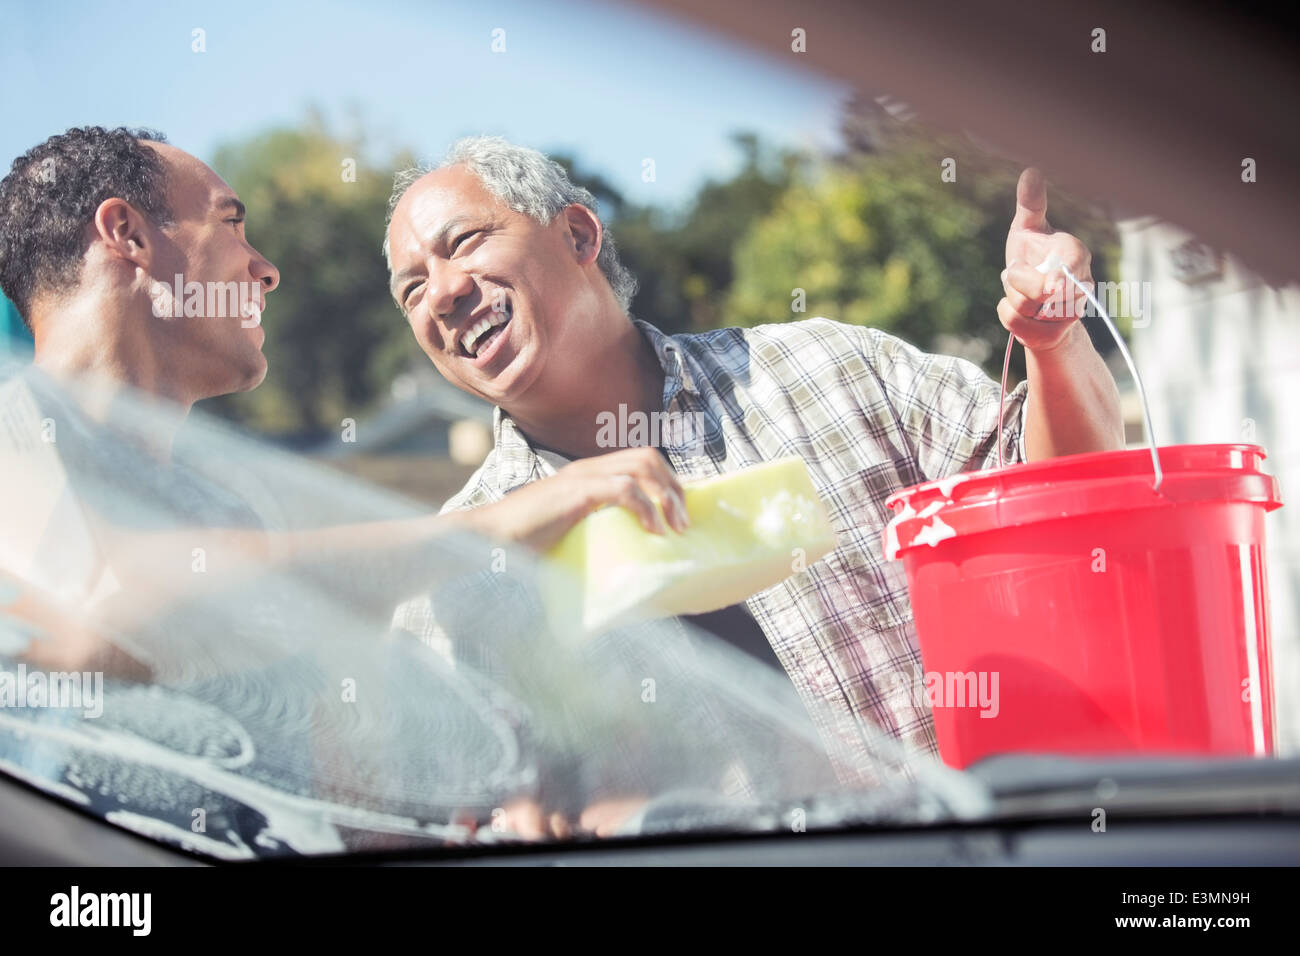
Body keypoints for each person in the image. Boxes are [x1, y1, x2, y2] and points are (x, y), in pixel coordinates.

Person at [383, 135, 1125, 774]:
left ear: (578, 236)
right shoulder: (459, 571)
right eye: (411, 289)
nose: (441, 293)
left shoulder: (830, 371)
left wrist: (1054, 345)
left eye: (464, 243)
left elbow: (1065, 507)